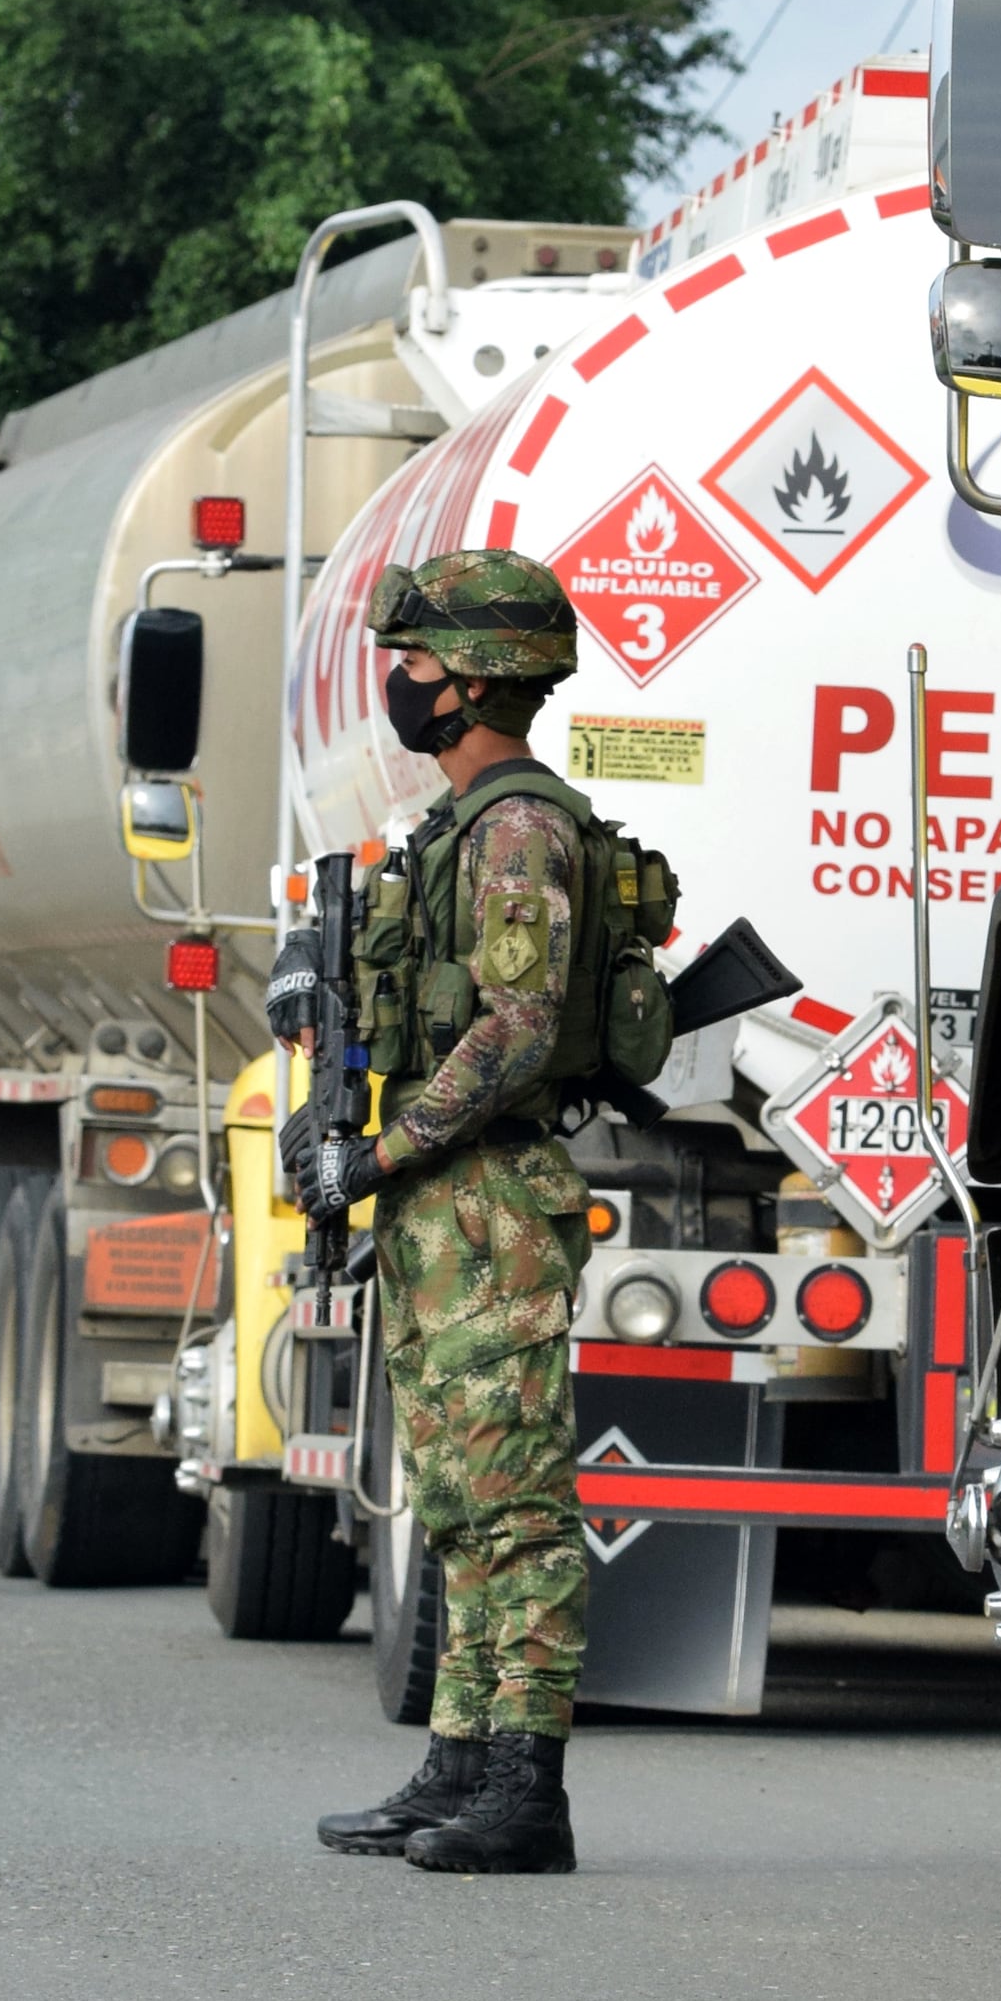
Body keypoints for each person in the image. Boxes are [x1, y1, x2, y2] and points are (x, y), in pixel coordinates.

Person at [294, 553, 597, 1876]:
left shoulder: (519, 830)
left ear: (476, 679)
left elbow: (519, 1029)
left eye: (415, 667)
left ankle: (527, 1789)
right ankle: (461, 1761)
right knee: (459, 1496)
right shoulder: (461, 826)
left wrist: (381, 1154)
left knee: (515, 1502)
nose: (400, 687)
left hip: (484, 1196)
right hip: (441, 1201)